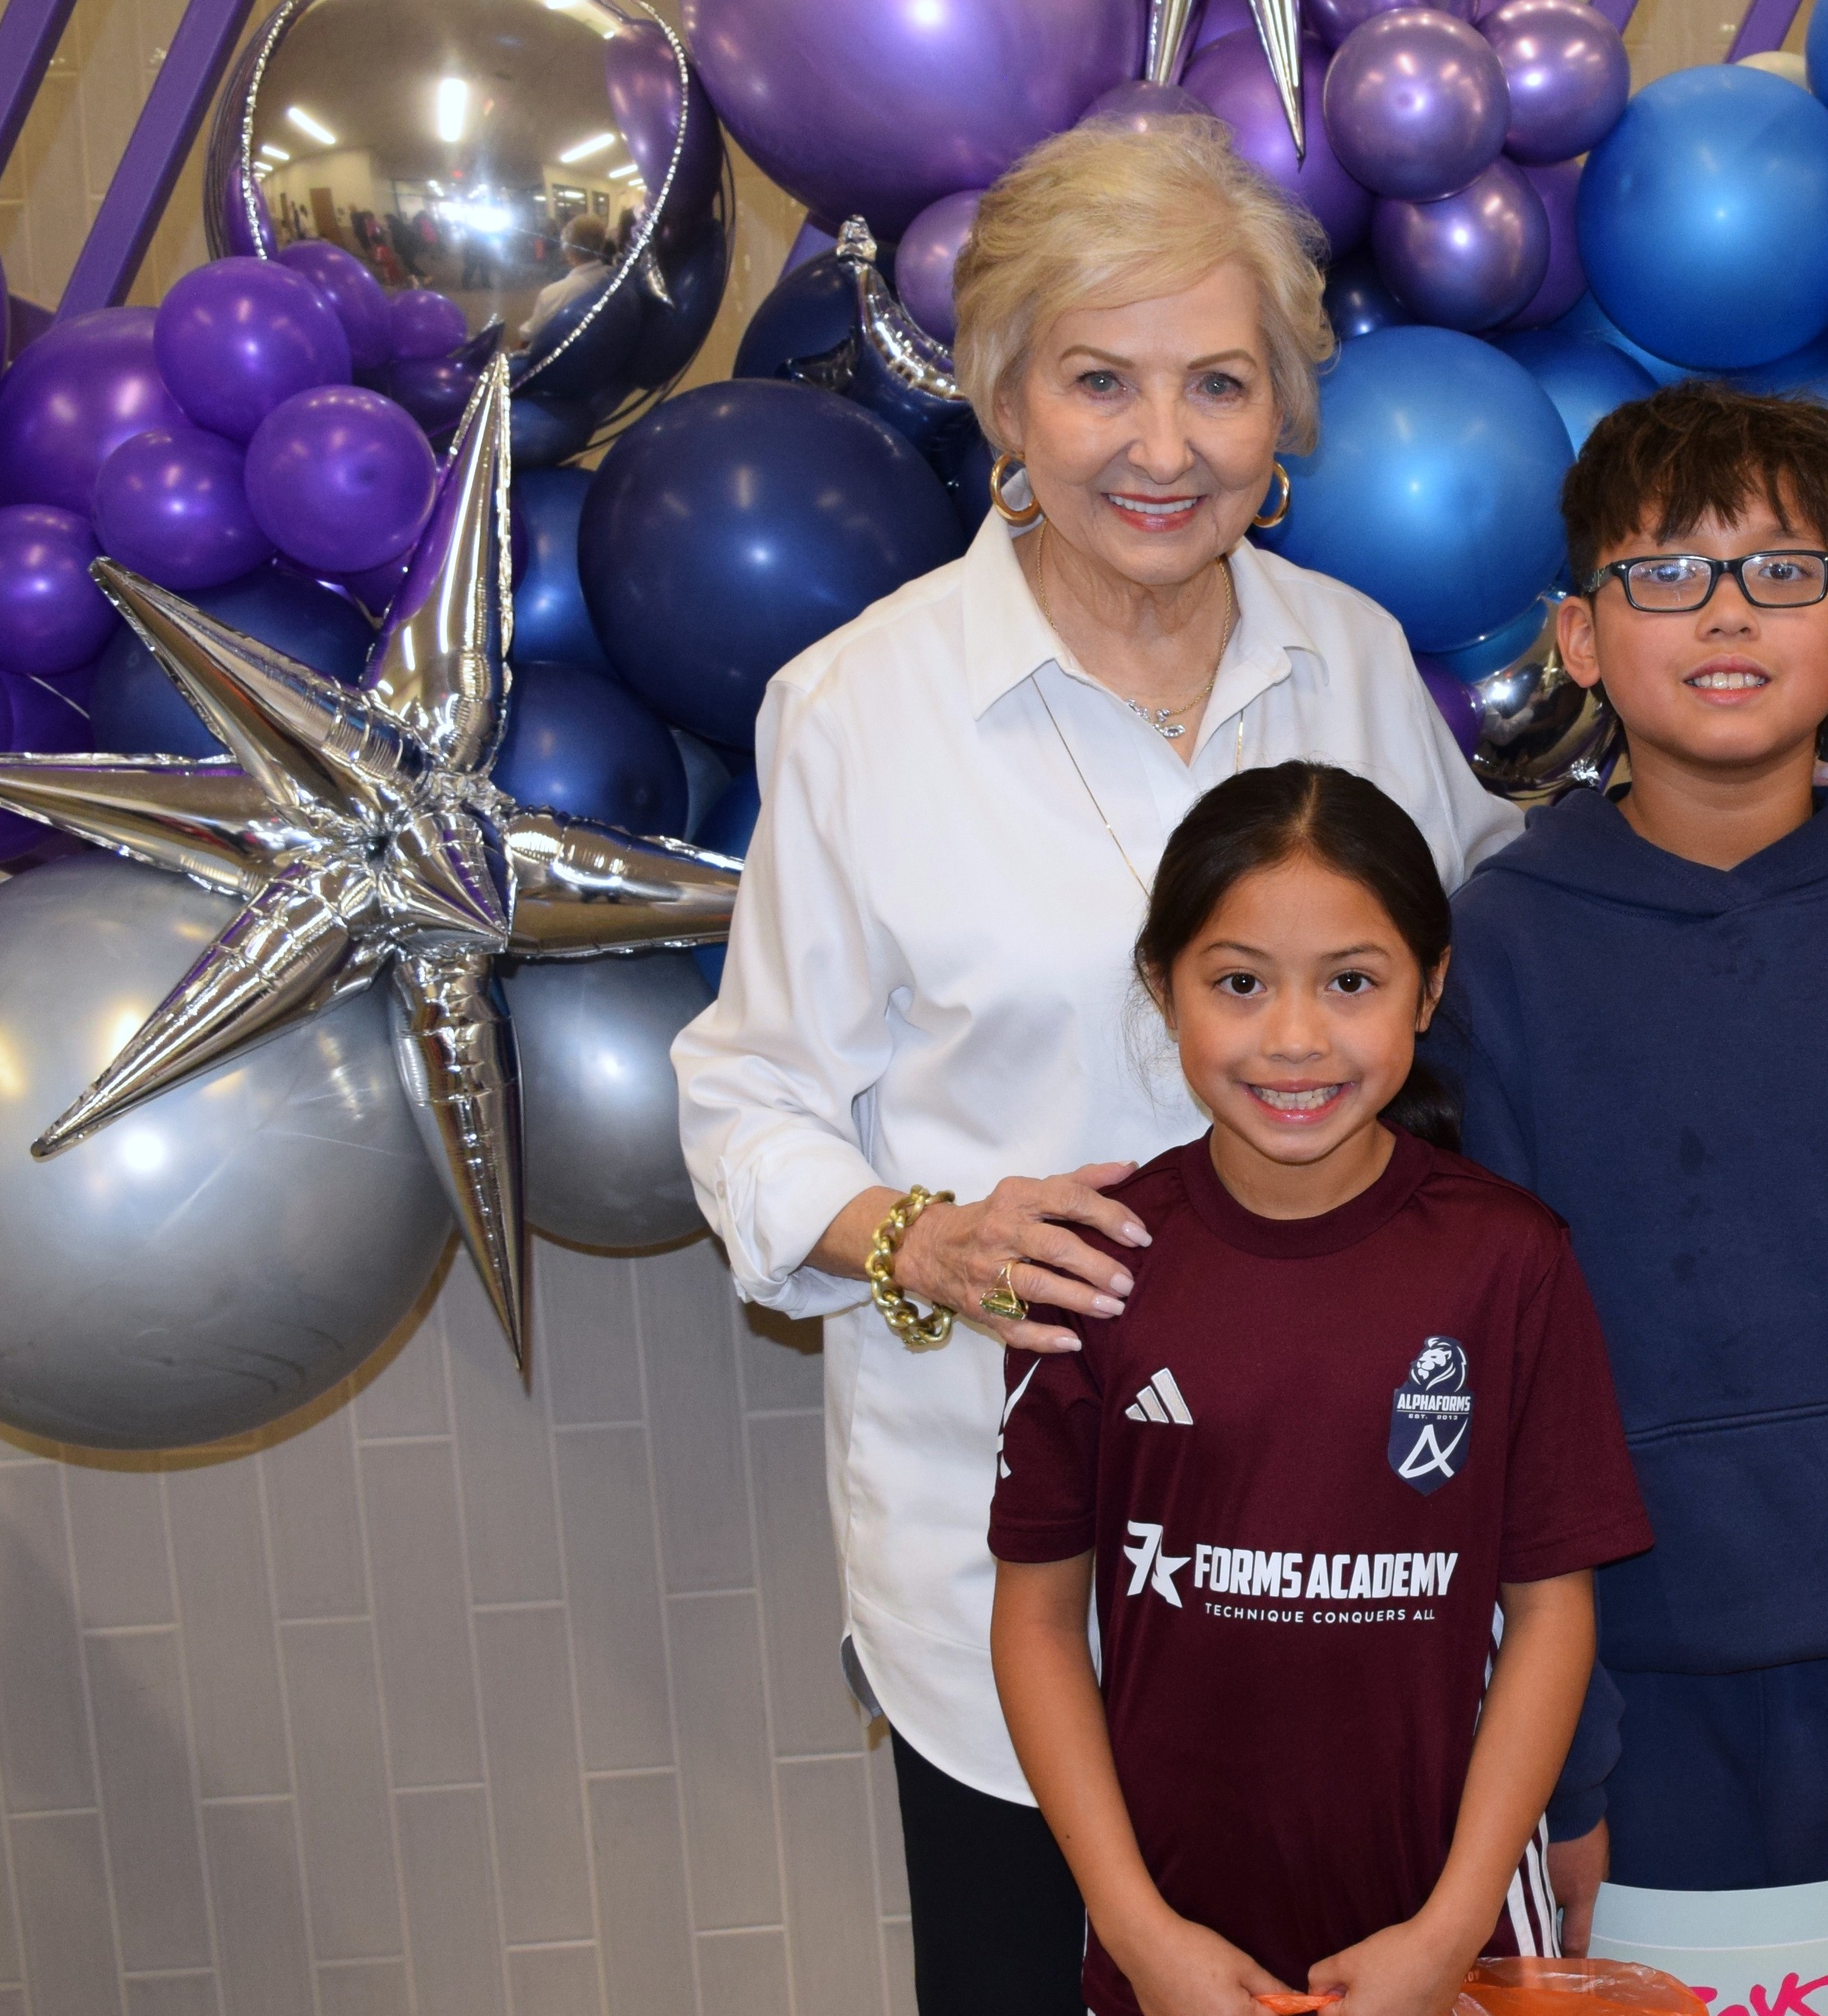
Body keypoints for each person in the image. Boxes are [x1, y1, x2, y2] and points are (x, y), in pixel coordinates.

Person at [672, 121, 1526, 2013]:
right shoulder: (862, 709)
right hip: (1013, 1581)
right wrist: (920, 1236)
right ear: (1002, 396)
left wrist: (1783, 829)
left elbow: (1509, 975)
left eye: (1220, 383)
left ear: (1285, 414)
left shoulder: (1360, 666)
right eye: (1100, 380)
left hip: (1347, 1567)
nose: (1164, 446)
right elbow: (748, 1101)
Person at [1428, 384, 1828, 1934]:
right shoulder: (1494, 956)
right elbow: (1490, 1388)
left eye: (1785, 571)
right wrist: (1558, 1762)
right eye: (1665, 573)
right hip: (1625, 1710)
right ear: (1582, 637)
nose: (1727, 615)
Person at [986, 762, 1652, 2016]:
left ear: (1430, 986)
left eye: (1351, 981)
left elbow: (1553, 1614)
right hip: (1172, 1950)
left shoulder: (1509, 1259)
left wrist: (1450, 1931)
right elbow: (1034, 1625)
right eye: (1239, 983)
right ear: (1160, 986)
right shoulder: (1093, 1263)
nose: (1295, 1038)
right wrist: (1141, 1934)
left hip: (1446, 1945)